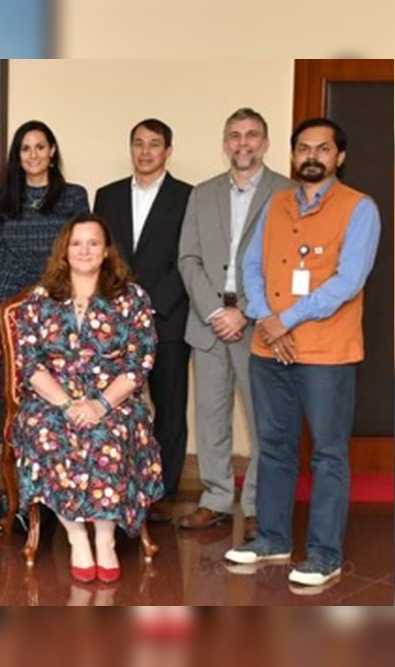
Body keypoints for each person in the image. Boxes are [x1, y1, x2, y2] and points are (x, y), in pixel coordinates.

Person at [226, 118, 380, 589]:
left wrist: (283, 320)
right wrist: (265, 316)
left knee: (328, 455)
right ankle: (272, 538)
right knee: (273, 447)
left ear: (339, 157)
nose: (312, 156)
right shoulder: (275, 203)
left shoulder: (360, 208)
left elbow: (348, 281)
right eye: (303, 149)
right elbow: (249, 264)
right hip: (268, 349)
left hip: (326, 353)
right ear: (293, 156)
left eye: (323, 148)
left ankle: (324, 555)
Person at [11, 214, 164, 584]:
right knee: (48, 431)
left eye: (93, 243)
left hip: (114, 399)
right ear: (64, 250)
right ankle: (78, 536)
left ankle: (106, 539)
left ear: (107, 250)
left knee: (109, 435)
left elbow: (139, 362)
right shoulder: (40, 299)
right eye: (77, 243)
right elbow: (29, 364)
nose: (84, 250)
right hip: (53, 399)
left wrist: (100, 405)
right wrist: (66, 404)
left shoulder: (132, 298)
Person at [176, 108, 292, 539]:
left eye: (251, 135)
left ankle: (260, 505)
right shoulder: (202, 193)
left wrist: (244, 310)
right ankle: (216, 500)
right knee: (210, 417)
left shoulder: (287, 192)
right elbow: (187, 258)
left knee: (263, 420)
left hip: (258, 323)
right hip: (207, 323)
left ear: (264, 142)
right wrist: (215, 311)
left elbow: (284, 265)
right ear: (225, 143)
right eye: (234, 136)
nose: (242, 143)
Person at [0, 120, 89, 529]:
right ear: (17, 156)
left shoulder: (74, 197)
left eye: (41, 147)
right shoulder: (4, 200)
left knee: (55, 404)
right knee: (14, 408)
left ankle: (60, 499)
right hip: (9, 310)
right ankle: (18, 502)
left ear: (53, 151)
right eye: (25, 149)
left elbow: (81, 252)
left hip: (57, 306)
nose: (34, 155)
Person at [93, 119, 193, 524]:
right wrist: (122, 307)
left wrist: (148, 306)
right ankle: (119, 484)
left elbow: (188, 258)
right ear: (130, 148)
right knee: (118, 406)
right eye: (139, 143)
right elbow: (103, 256)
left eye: (155, 144)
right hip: (115, 323)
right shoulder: (108, 195)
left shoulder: (188, 197)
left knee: (169, 407)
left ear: (168, 150)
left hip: (167, 318)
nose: (146, 151)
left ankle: (162, 494)